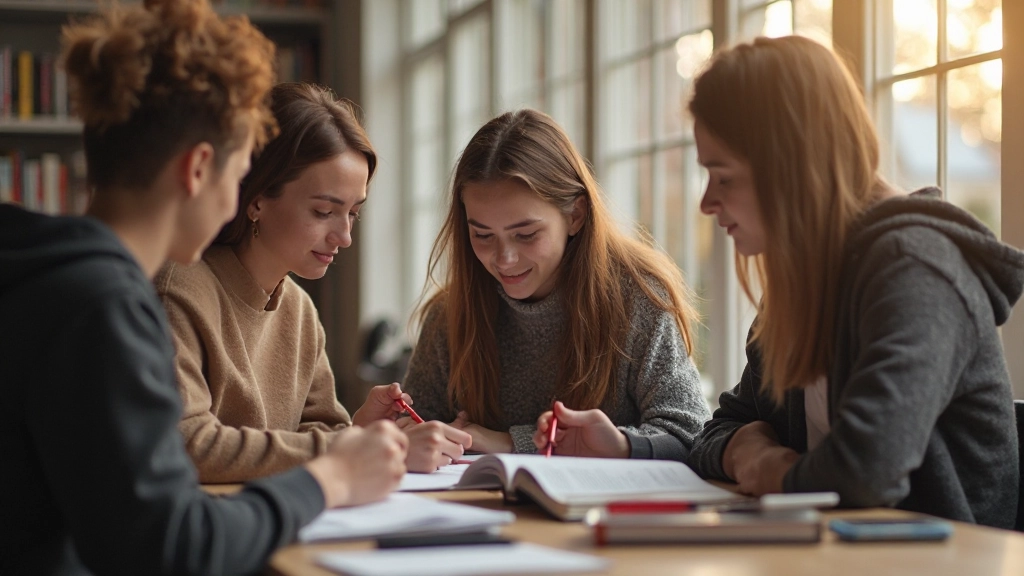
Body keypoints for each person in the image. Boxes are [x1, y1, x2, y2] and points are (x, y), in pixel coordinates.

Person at [0, 1, 407, 574]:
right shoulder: (103, 308)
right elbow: (172, 547)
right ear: (197, 169)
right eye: (241, 172)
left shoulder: (47, 273)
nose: (241, 198)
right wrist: (327, 477)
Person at [683, 36, 1022, 528]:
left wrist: (773, 471)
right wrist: (744, 451)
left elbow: (865, 469)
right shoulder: (804, 279)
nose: (707, 202)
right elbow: (719, 430)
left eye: (724, 177)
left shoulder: (916, 269)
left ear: (791, 166)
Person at [155, 82, 471, 482]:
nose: (345, 236)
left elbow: (316, 439)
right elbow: (186, 443)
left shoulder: (299, 310)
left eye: (353, 213)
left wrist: (362, 432)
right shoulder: (179, 291)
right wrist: (352, 445)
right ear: (256, 200)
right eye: (324, 211)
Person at [403, 109, 711, 460]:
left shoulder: (638, 299)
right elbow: (416, 427)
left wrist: (510, 442)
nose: (504, 258)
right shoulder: (451, 313)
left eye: (526, 234)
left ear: (575, 216)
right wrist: (403, 435)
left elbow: (690, 434)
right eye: (482, 235)